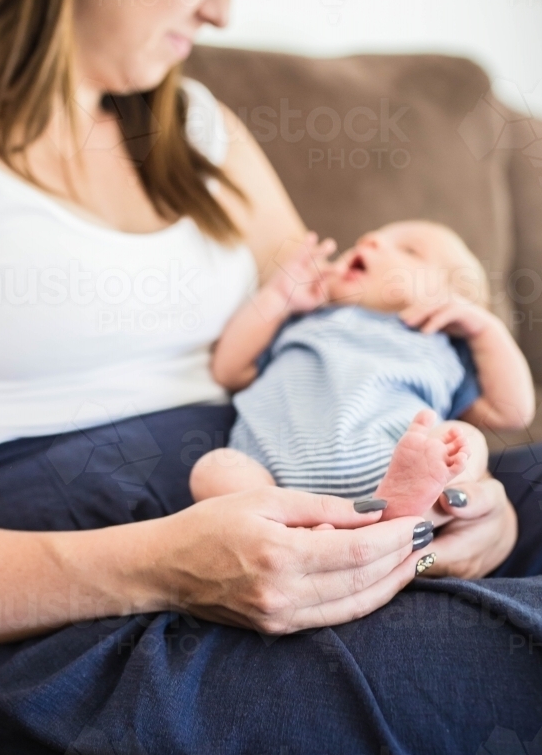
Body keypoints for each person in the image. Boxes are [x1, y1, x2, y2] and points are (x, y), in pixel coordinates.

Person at [0, 0, 541, 755]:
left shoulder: (199, 128)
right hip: (71, 592)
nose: (224, 8)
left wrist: (474, 510)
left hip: (286, 482)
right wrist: (157, 563)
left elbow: (340, 334)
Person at [190, 222, 536, 529]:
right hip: (274, 479)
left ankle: (409, 510)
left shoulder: (440, 347)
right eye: (370, 238)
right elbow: (228, 370)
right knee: (216, 469)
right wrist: (278, 296)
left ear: (447, 300)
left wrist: (486, 330)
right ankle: (294, 534)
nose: (369, 240)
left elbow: (513, 411)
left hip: (393, 466)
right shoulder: (304, 321)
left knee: (463, 440)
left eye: (409, 250)